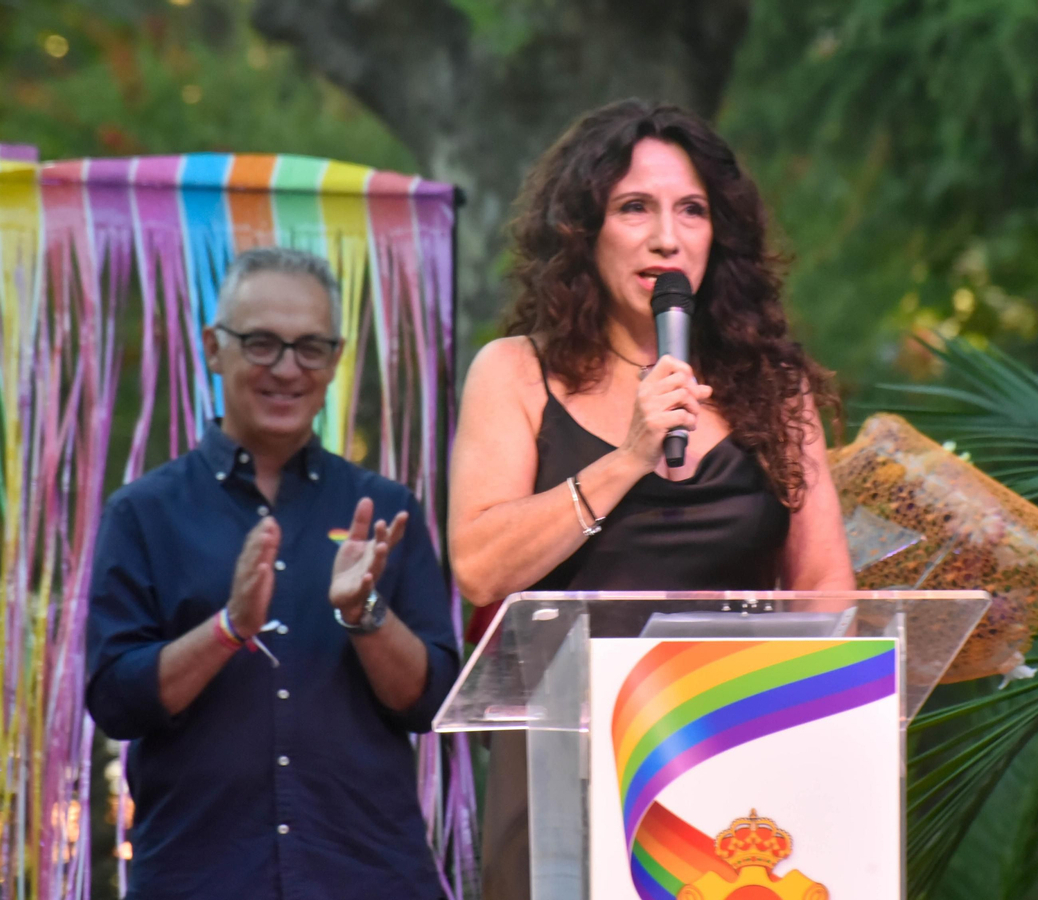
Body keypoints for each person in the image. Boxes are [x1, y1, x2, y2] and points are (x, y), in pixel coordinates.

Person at [447, 99, 856, 900]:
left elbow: (826, 595)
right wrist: (629, 458)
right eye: (634, 208)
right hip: (564, 763)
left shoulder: (776, 388)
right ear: (583, 230)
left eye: (691, 211)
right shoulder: (515, 373)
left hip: (737, 766)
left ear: (718, 237)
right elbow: (480, 568)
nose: (666, 237)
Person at [85, 247, 460, 900]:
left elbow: (432, 703)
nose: (287, 370)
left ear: (336, 359)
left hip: (365, 874)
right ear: (213, 347)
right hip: (200, 875)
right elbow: (118, 702)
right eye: (261, 344)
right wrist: (228, 629)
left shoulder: (386, 510)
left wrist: (364, 616)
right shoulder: (144, 513)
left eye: (310, 348)